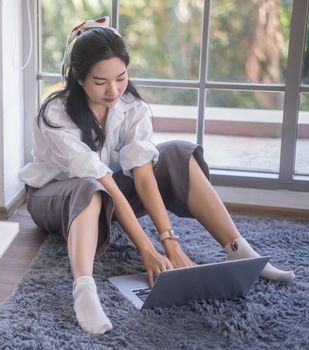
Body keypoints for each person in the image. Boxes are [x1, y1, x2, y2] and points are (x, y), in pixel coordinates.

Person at [18, 17, 295, 335]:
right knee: (90, 187)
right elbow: (104, 181)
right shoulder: (55, 114)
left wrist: (169, 240)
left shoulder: (132, 107)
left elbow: (143, 174)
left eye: (121, 77)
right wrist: (147, 249)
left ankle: (240, 250)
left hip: (109, 197)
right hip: (57, 199)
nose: (113, 90)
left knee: (177, 151)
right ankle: (84, 290)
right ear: (78, 78)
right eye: (100, 82)